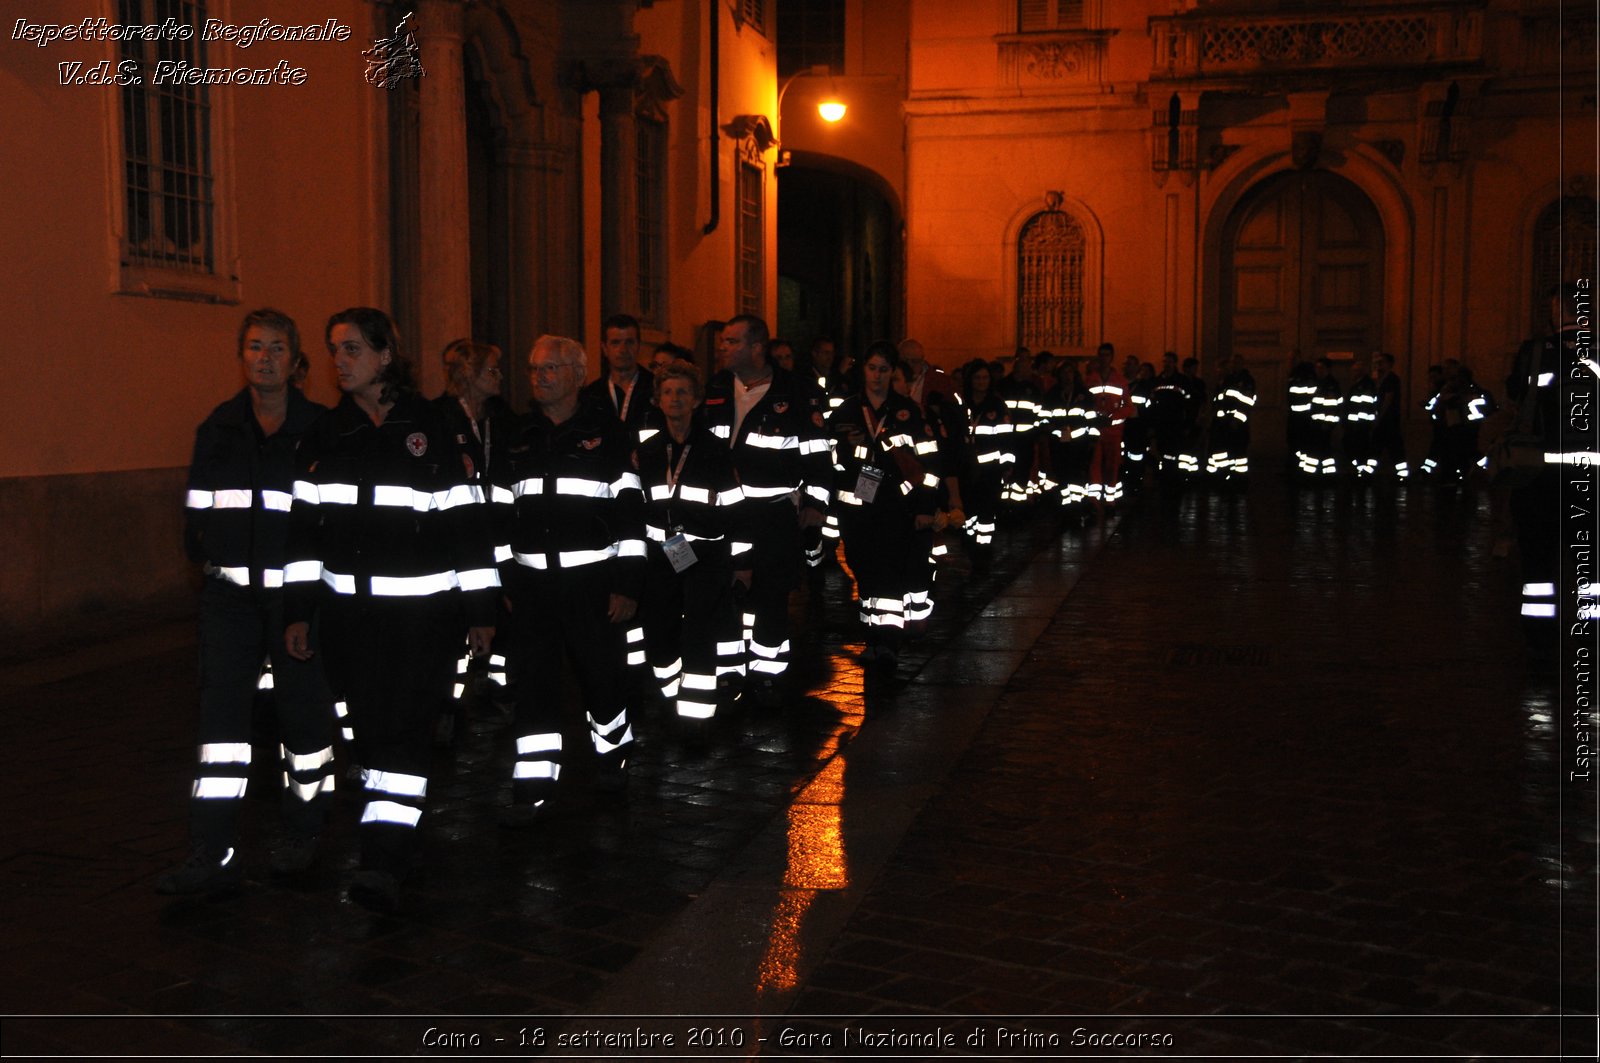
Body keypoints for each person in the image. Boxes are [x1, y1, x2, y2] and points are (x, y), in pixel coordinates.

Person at [283, 308, 499, 911]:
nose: (339, 361)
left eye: (351, 349)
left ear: (385, 355)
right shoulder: (325, 436)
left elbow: (466, 525)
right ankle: (397, 826)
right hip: (351, 623)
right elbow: (302, 536)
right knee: (371, 739)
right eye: (333, 350)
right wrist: (298, 612)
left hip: (423, 621)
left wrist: (481, 609)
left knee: (403, 734)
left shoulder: (430, 426)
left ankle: (384, 858)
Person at [157, 309, 336, 896]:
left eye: (277, 348)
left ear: (296, 360)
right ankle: (211, 849)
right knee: (222, 729)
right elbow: (198, 509)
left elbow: (330, 523)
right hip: (229, 602)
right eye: (255, 347)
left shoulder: (321, 429)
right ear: (243, 356)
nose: (264, 358)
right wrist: (207, 554)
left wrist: (306, 603)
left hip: (296, 603)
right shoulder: (219, 427)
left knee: (304, 723)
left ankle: (305, 832)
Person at [494, 335, 646, 826]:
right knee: (533, 686)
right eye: (534, 369)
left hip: (592, 585)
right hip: (534, 590)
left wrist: (626, 583)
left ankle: (612, 756)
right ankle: (533, 785)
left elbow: (629, 516)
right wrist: (505, 580)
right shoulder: (519, 434)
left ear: (578, 375)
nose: (538, 377)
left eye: (550, 369)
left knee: (602, 677)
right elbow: (499, 514)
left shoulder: (608, 433)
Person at [704, 315, 832, 706]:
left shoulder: (795, 392)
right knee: (728, 592)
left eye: (731, 341)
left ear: (756, 347)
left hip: (773, 514)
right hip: (723, 513)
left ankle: (766, 673)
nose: (722, 347)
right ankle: (730, 671)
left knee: (771, 594)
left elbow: (818, 453)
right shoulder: (715, 389)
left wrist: (815, 502)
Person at [634, 362, 751, 727]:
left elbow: (736, 509)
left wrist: (743, 562)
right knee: (660, 630)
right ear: (658, 399)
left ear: (697, 400)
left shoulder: (715, 449)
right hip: (661, 555)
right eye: (668, 392)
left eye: (683, 392)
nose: (675, 399)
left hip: (707, 555)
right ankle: (670, 690)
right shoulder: (648, 452)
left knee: (700, 630)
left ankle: (696, 717)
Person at [826, 343, 940, 672]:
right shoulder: (845, 412)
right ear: (864, 370)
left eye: (884, 369)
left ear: (893, 373)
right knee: (866, 575)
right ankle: (873, 637)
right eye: (873, 368)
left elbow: (930, 464)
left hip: (897, 508)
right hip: (857, 512)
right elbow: (830, 462)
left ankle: (889, 642)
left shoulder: (909, 411)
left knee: (890, 575)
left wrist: (924, 507)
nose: (878, 375)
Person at [433, 339, 513, 745]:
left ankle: (483, 692)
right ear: (467, 375)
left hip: (494, 538)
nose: (500, 377)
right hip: (454, 542)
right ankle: (445, 709)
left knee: (492, 618)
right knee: (453, 627)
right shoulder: (439, 418)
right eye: (491, 370)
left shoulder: (498, 418)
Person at [957, 359, 1013, 561]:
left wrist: (1007, 466)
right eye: (977, 378)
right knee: (969, 509)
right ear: (970, 380)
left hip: (990, 470)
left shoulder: (996, 405)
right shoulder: (961, 404)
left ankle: (983, 550)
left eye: (985, 378)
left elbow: (1006, 437)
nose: (981, 382)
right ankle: (970, 542)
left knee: (987, 512)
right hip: (966, 470)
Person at [583, 313, 656, 443]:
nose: (623, 350)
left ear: (639, 346)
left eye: (629, 342)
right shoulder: (592, 395)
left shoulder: (656, 389)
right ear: (605, 348)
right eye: (615, 343)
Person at [1084, 343, 1132, 507]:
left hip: (1113, 431)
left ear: (1112, 358)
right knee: (1094, 464)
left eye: (1107, 355)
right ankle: (1094, 498)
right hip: (1095, 429)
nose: (1104, 358)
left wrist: (1113, 418)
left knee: (1112, 465)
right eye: (1101, 355)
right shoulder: (1090, 380)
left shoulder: (1120, 381)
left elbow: (1128, 407)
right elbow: (1085, 404)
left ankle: (1110, 499)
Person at [1206, 353, 1256, 483]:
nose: (1233, 365)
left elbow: (1247, 403)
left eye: (1235, 363)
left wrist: (1236, 420)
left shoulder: (1246, 380)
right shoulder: (1228, 380)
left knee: (1238, 454)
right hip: (1223, 423)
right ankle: (1222, 477)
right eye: (1231, 363)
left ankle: (1238, 480)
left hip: (1237, 425)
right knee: (1224, 451)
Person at [1372, 352, 1408, 477]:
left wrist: (1379, 417)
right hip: (1385, 419)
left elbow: (1388, 399)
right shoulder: (1381, 379)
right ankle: (1369, 472)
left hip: (1389, 420)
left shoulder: (1391, 379)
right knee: (1378, 447)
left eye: (1382, 362)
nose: (1379, 365)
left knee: (1394, 447)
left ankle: (1402, 474)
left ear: (1390, 364)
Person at [1343, 359, 1379, 478]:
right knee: (1354, 447)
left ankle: (1362, 471)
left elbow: (1364, 405)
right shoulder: (1358, 384)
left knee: (1361, 448)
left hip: (1361, 424)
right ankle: (1359, 469)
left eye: (1355, 371)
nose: (1352, 373)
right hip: (1355, 423)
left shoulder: (1366, 385)